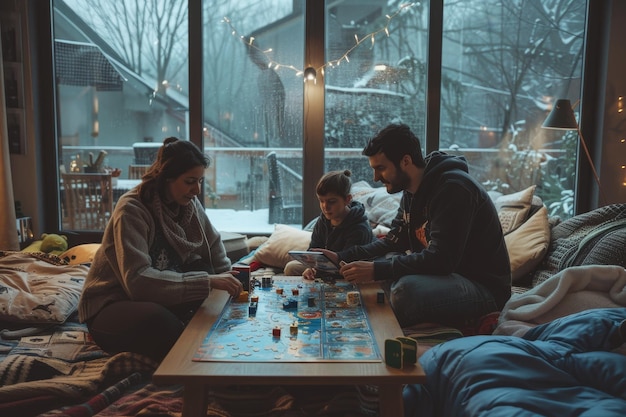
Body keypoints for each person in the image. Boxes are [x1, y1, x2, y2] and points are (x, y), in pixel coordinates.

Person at [319, 123, 511, 328]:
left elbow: (442, 259)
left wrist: (376, 270)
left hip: (481, 287)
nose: (375, 178)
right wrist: (342, 256)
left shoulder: (453, 188)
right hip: (444, 277)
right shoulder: (411, 193)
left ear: (405, 161)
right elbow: (392, 242)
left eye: (381, 168)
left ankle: (474, 320)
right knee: (385, 263)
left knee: (404, 292)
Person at [78, 137, 243, 362]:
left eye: (200, 181)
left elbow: (213, 246)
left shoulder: (188, 203)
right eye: (189, 181)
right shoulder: (132, 209)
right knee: (160, 322)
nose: (196, 190)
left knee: (209, 289)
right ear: (166, 178)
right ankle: (188, 359)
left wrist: (230, 285)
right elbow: (138, 282)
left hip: (159, 294)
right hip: (114, 302)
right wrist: (209, 282)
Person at [283, 169, 375, 279]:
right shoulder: (323, 220)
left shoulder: (360, 228)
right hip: (325, 266)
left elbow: (350, 264)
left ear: (347, 199)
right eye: (321, 201)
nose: (325, 206)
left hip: (348, 269)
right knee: (291, 267)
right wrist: (310, 267)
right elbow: (314, 249)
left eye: (332, 201)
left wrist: (318, 270)